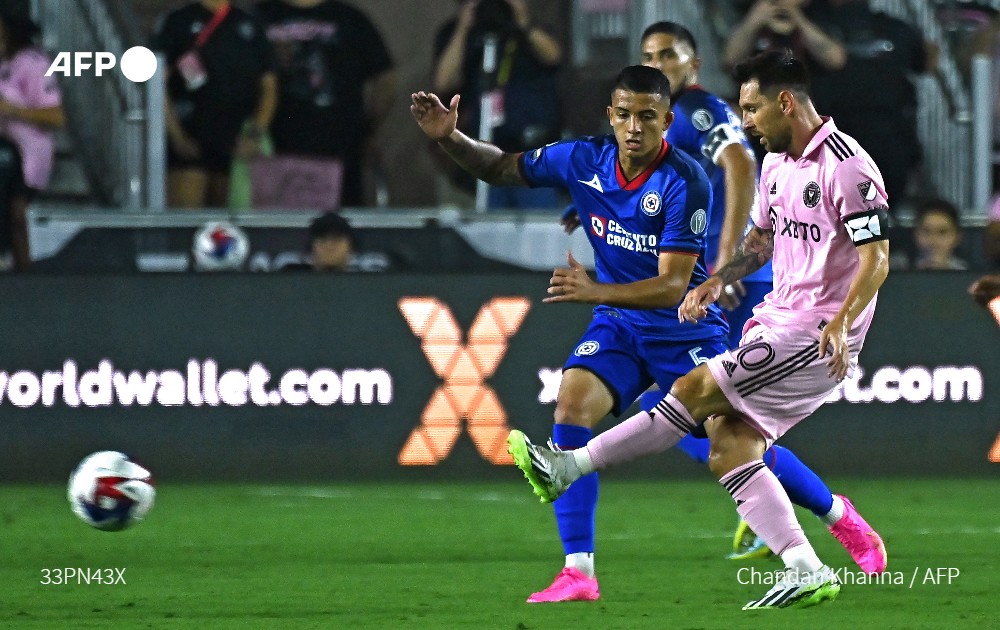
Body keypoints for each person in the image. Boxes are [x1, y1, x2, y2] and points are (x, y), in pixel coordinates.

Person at [508, 50, 892, 610]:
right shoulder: (780, 164)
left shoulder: (847, 166)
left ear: (785, 102)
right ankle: (806, 566)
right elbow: (761, 240)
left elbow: (877, 257)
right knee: (729, 447)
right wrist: (717, 279)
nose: (749, 121)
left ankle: (569, 466)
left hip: (814, 333)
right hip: (777, 319)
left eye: (754, 109)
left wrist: (839, 321)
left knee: (691, 392)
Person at [413, 65, 730, 602]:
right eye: (624, 114)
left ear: (668, 121)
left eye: (647, 117)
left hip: (683, 329)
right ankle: (578, 571)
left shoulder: (686, 179)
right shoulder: (584, 159)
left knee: (734, 448)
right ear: (610, 115)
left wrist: (593, 291)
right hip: (621, 325)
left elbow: (675, 286)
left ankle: (835, 513)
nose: (634, 127)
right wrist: (451, 139)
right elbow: (500, 168)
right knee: (570, 406)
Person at [637, 21, 864, 563]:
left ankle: (815, 514)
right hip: (728, 282)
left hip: (753, 290)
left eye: (668, 54)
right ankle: (812, 513)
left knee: (710, 416)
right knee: (707, 418)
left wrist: (721, 265)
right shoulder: (664, 125)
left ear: (692, 63)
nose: (658, 65)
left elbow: (736, 164)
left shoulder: (699, 111)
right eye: (648, 56)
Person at [253, 0, 396, 208]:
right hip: (271, 151)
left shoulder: (350, 18)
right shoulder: (257, 16)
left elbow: (386, 78)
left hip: (339, 152)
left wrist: (368, 127)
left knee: (337, 231)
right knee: (274, 231)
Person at [804, 0, 935, 211]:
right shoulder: (811, 24)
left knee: (881, 213)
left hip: (888, 139)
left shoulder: (896, 28)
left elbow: (925, 61)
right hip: (834, 138)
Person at [432, 0, 563, 209]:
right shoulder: (461, 32)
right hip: (485, 156)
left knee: (537, 229)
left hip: (531, 157)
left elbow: (554, 56)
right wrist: (464, 28)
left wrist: (523, 22)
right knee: (486, 226)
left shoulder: (528, 29)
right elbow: (443, 81)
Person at [151, 0, 278, 208]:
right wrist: (177, 136)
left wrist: (254, 135)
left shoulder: (250, 24)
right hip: (191, 138)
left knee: (228, 226)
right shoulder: (177, 21)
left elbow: (269, 88)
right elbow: (157, 83)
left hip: (234, 142)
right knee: (185, 225)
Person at [0, 8, 64, 271]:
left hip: (26, 156)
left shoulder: (32, 63)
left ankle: (23, 274)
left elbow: (57, 116)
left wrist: (11, 109)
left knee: (17, 215)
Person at [722, 0, 846, 72]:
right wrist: (753, 21)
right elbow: (730, 59)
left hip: (808, 103)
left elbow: (836, 60)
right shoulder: (749, 9)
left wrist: (799, 20)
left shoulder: (817, 11)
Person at [890, 198, 967, 271]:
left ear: (957, 237)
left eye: (942, 232)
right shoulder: (896, 267)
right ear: (916, 234)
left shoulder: (966, 274)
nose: (933, 241)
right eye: (926, 231)